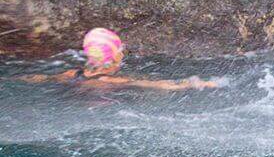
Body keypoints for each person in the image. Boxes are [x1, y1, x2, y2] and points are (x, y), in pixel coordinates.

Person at [20, 28, 219, 91]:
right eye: (120, 48)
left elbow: (37, 78)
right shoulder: (112, 81)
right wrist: (195, 83)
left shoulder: (72, 74)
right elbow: (158, 84)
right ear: (115, 55)